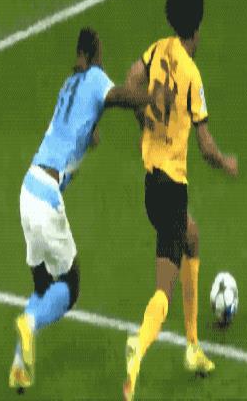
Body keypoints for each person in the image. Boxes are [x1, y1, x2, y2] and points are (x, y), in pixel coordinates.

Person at [9, 27, 160, 393]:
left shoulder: (68, 85)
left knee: (43, 286)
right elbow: (120, 96)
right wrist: (155, 96)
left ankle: (19, 366)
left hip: (27, 189)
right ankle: (28, 325)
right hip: (47, 197)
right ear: (94, 54)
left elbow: (71, 124)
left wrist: (91, 132)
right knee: (70, 285)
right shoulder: (94, 78)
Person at [121, 0, 238, 400]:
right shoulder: (191, 75)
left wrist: (144, 120)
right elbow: (205, 146)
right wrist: (225, 162)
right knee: (163, 291)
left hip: (151, 184)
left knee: (192, 235)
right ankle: (139, 345)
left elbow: (132, 81)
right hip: (172, 185)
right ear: (198, 25)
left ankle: (192, 347)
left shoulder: (157, 50)